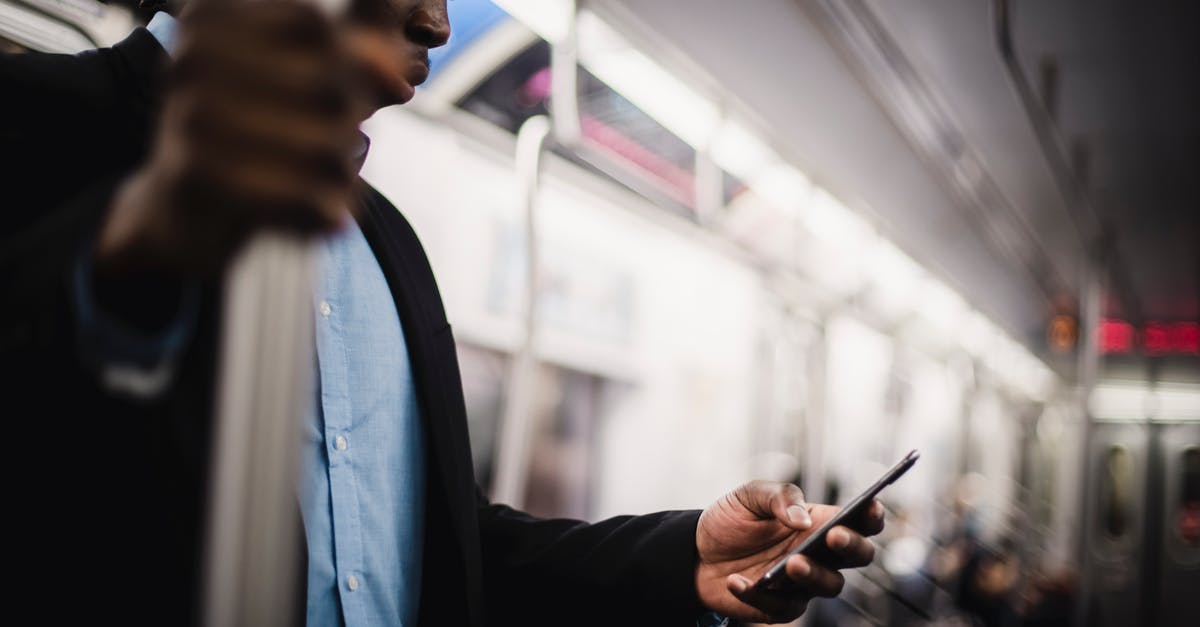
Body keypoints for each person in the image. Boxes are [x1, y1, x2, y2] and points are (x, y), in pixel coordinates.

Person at [0, 1, 884, 625]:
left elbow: (444, 550)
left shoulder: (387, 243)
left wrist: (684, 557)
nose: (437, 22)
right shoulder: (30, 120)